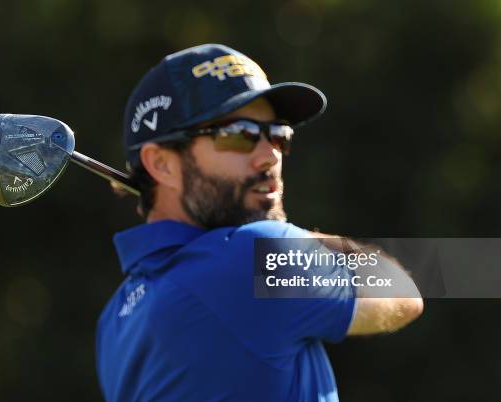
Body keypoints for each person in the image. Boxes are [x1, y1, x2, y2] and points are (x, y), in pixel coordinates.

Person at [96, 44, 423, 402]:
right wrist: (300, 239)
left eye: (278, 135)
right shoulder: (254, 255)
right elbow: (402, 292)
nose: (269, 156)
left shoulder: (115, 318)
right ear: (162, 164)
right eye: (238, 134)